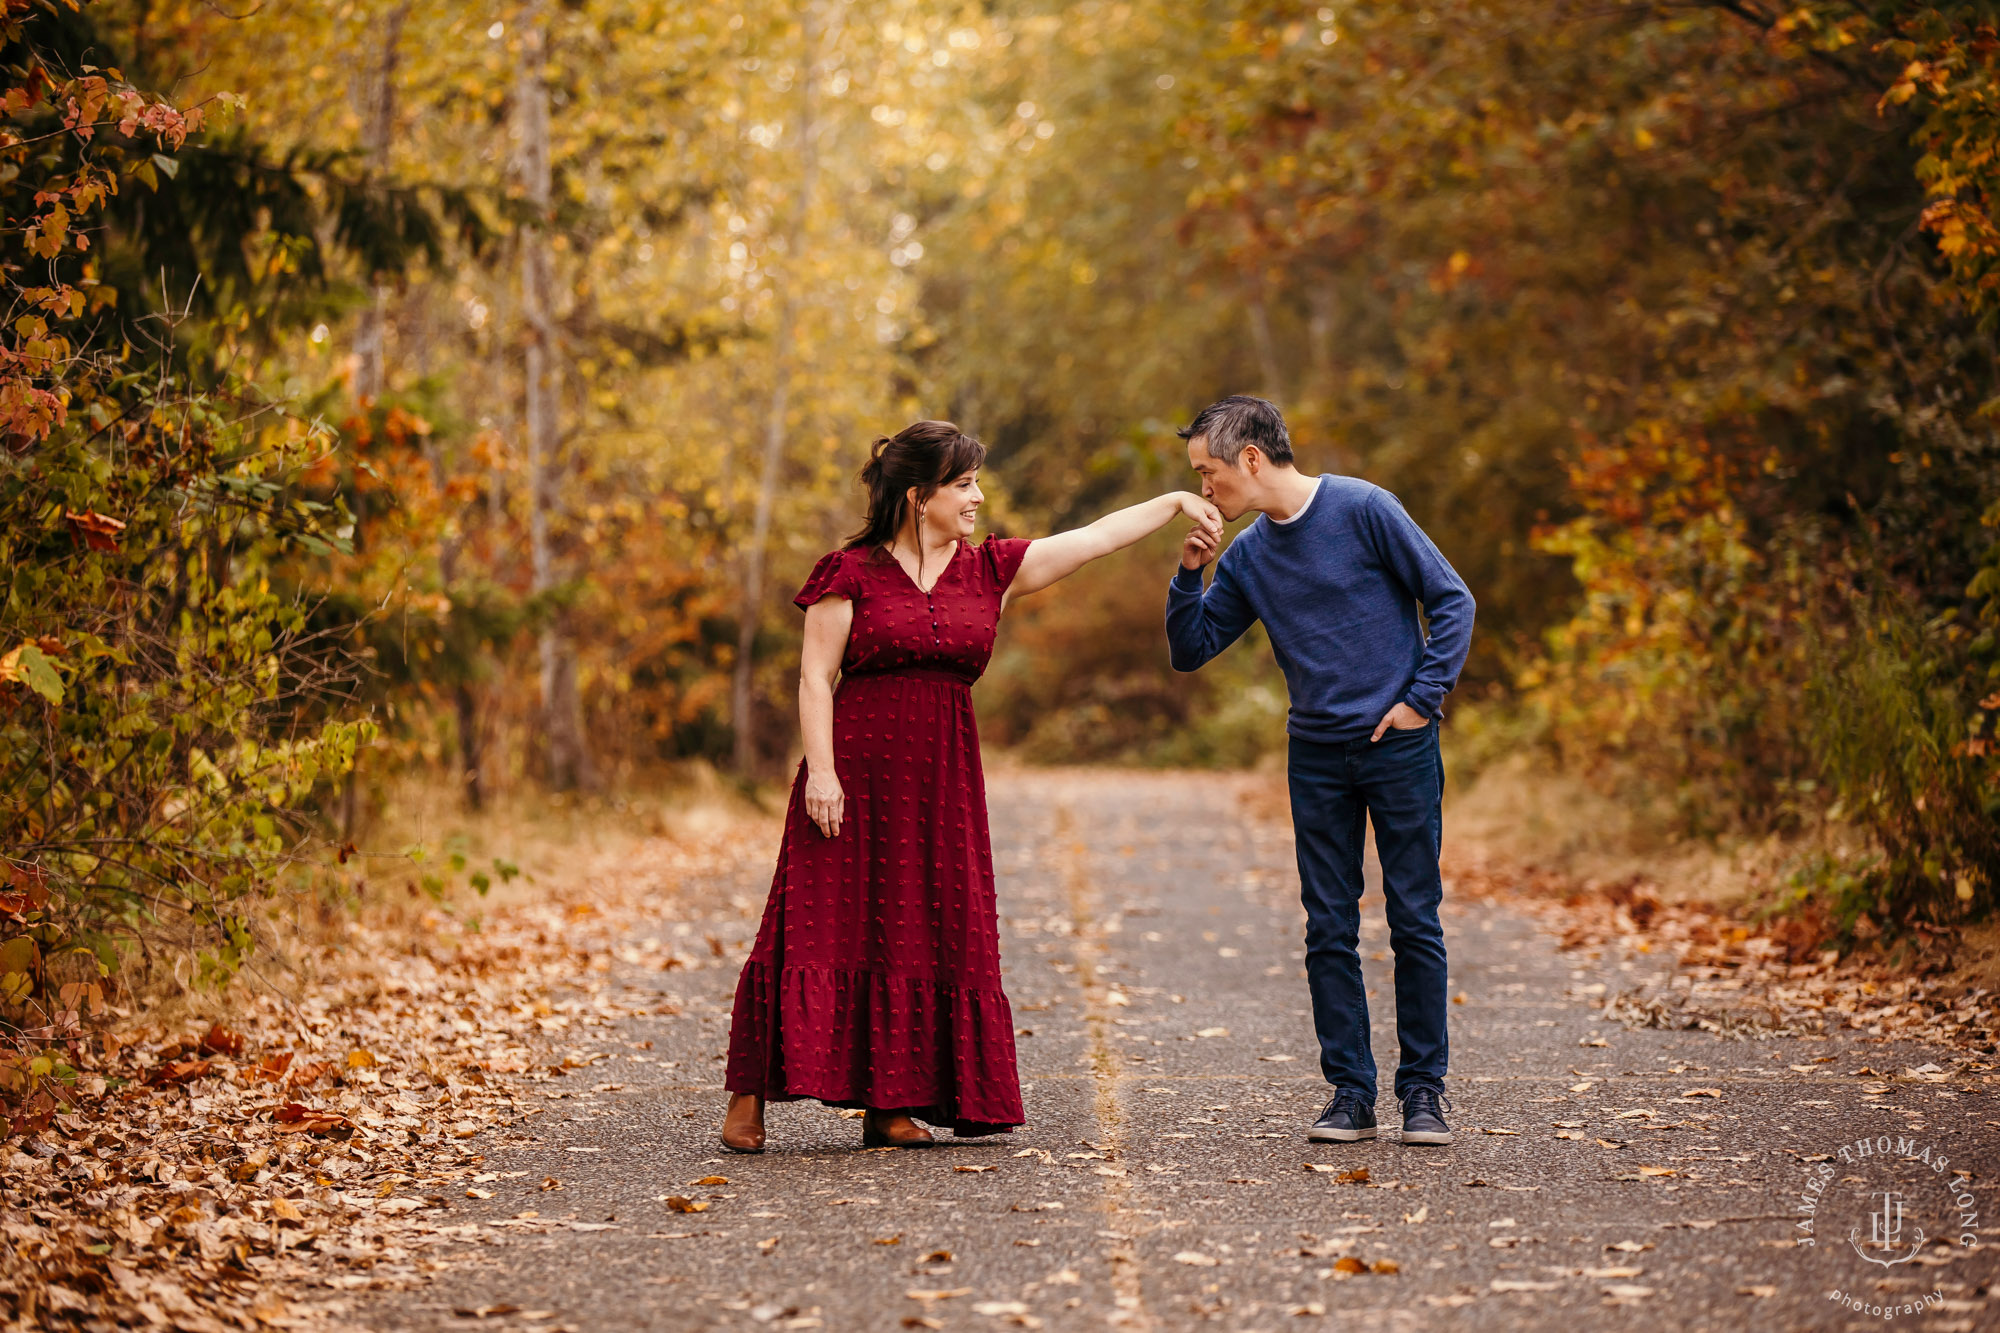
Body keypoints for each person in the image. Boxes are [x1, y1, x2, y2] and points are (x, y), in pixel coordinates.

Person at [720, 420, 1222, 1152]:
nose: (979, 498)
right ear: (920, 495)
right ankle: (748, 1093)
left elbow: (1093, 537)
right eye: (965, 485)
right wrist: (820, 771)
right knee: (810, 920)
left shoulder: (991, 569)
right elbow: (813, 677)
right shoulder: (849, 570)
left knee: (922, 930)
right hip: (854, 769)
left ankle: (892, 1104)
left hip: (942, 780)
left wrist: (1175, 500)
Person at [1166, 395, 1474, 1147]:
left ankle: (1423, 1093)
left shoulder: (1365, 508)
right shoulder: (1247, 555)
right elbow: (1192, 647)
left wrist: (1419, 702)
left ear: (1249, 459)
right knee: (1328, 927)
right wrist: (1190, 574)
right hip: (1316, 756)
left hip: (1398, 748)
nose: (1204, 489)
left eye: (1208, 472)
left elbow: (1451, 599)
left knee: (1413, 920)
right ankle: (1351, 1093)